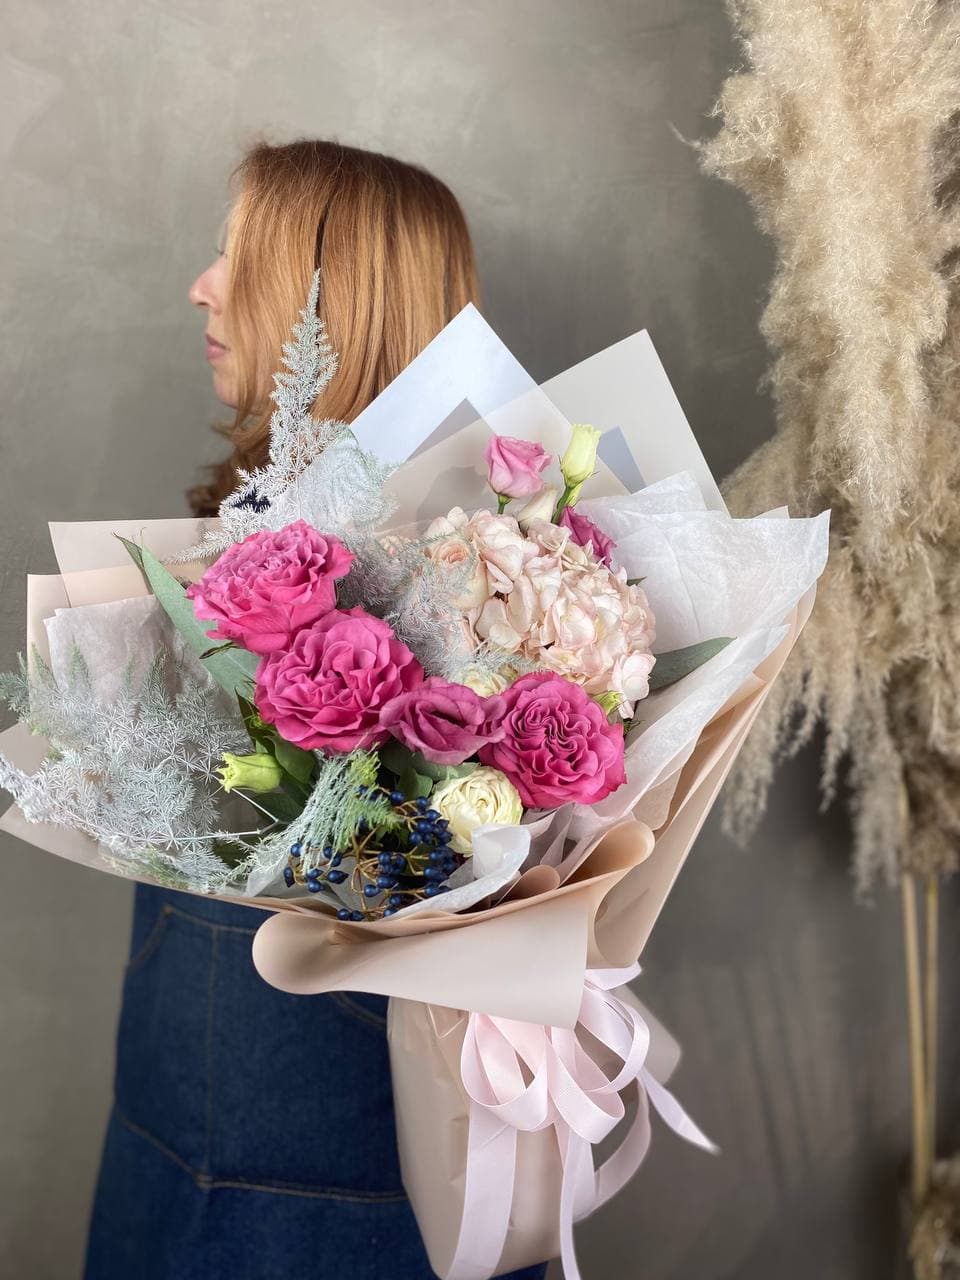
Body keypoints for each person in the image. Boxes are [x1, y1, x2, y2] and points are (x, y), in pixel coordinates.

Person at [83, 139, 547, 1280]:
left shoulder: (480, 585)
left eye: (239, 262)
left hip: (331, 1164)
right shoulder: (247, 533)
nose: (200, 287)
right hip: (173, 1115)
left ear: (323, 312)